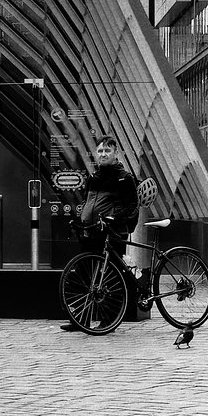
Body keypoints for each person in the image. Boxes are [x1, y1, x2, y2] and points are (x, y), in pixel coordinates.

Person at [60, 135, 141, 333]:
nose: (103, 154)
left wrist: (114, 219)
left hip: (112, 233)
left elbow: (132, 207)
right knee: (84, 275)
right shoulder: (95, 177)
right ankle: (81, 319)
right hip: (93, 231)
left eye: (107, 151)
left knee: (109, 278)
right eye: (101, 151)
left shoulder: (124, 178)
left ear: (116, 153)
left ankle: (109, 320)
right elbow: (90, 202)